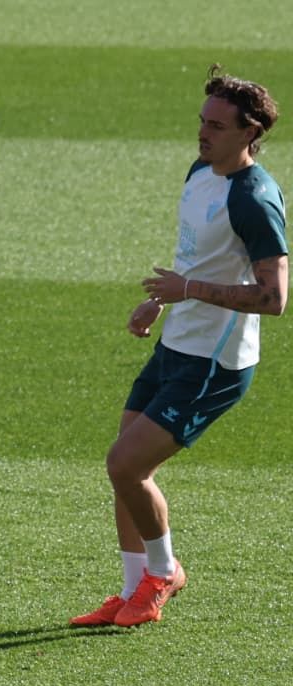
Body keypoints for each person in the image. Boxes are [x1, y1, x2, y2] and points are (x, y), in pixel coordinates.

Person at [72, 66, 286, 629]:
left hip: (216, 363)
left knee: (125, 464)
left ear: (250, 131)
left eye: (216, 126)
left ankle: (164, 573)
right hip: (177, 343)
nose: (202, 133)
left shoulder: (254, 199)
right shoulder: (201, 171)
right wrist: (162, 302)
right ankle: (130, 590)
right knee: (124, 466)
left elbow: (274, 298)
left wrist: (186, 290)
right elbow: (196, 258)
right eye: (201, 121)